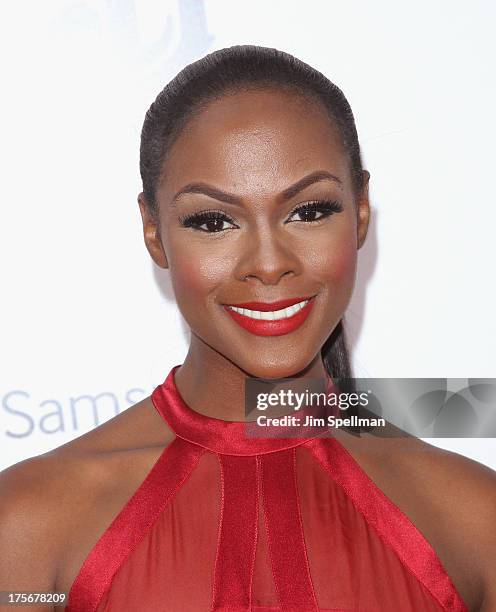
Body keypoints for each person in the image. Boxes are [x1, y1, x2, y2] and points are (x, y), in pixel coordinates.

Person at [0, 45, 495, 612]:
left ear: (360, 211)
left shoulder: (475, 526)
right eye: (213, 220)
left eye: (309, 211)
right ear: (154, 232)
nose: (267, 262)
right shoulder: (29, 527)